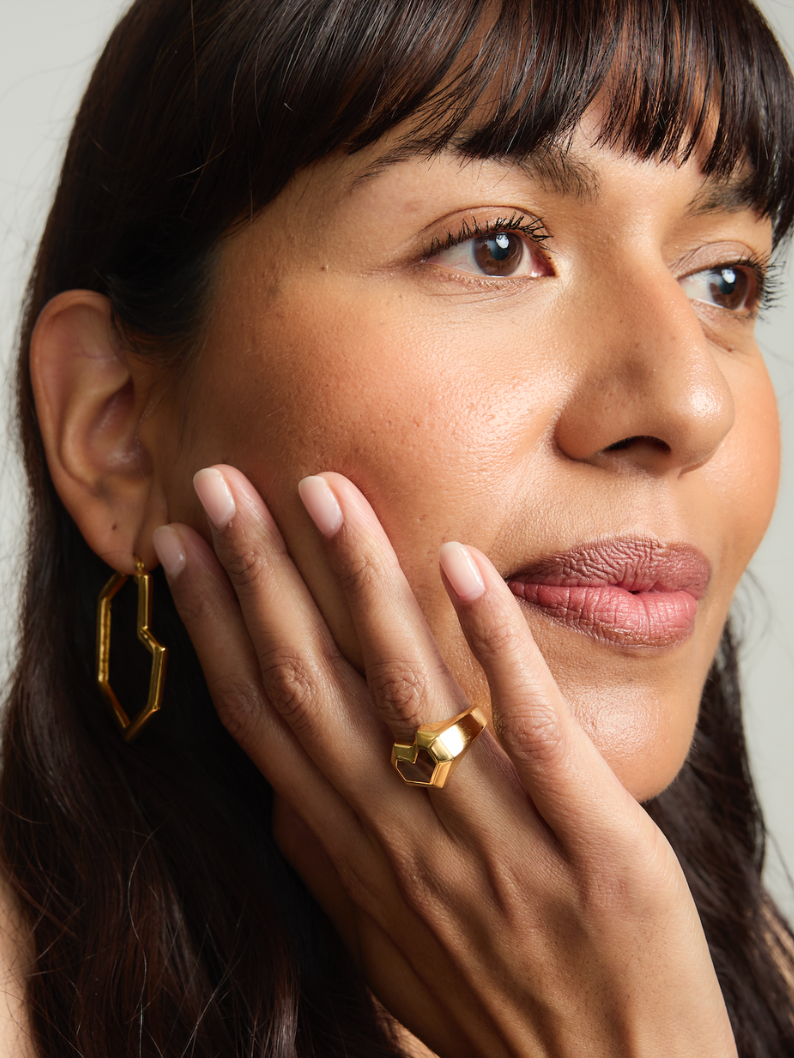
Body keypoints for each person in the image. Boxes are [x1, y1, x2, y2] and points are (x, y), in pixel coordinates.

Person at [1, 0, 794, 1053]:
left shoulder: (756, 976)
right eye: (494, 248)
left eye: (722, 279)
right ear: (119, 432)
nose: (687, 405)